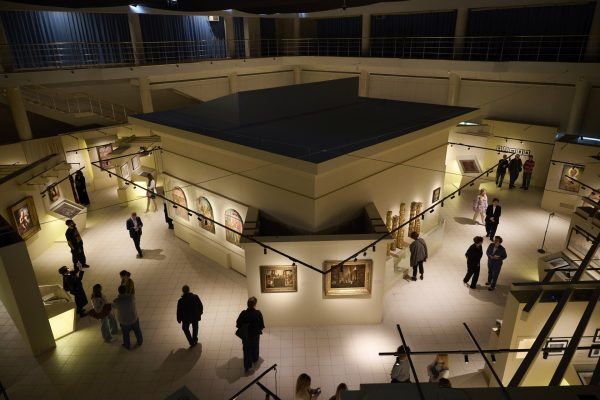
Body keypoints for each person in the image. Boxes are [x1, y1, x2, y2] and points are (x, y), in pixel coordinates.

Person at [236, 296, 265, 373]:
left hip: (246, 335)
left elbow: (238, 324)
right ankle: (255, 359)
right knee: (255, 347)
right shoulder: (258, 313)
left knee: (246, 350)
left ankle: (247, 366)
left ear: (247, 304)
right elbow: (261, 325)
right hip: (255, 335)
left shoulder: (243, 313)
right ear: (255, 304)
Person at [113, 285, 143, 350]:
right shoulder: (131, 297)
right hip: (133, 318)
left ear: (119, 291)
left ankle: (127, 345)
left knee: (125, 334)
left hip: (124, 321)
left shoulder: (117, 301)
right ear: (126, 290)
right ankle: (140, 341)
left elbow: (114, 306)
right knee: (137, 331)